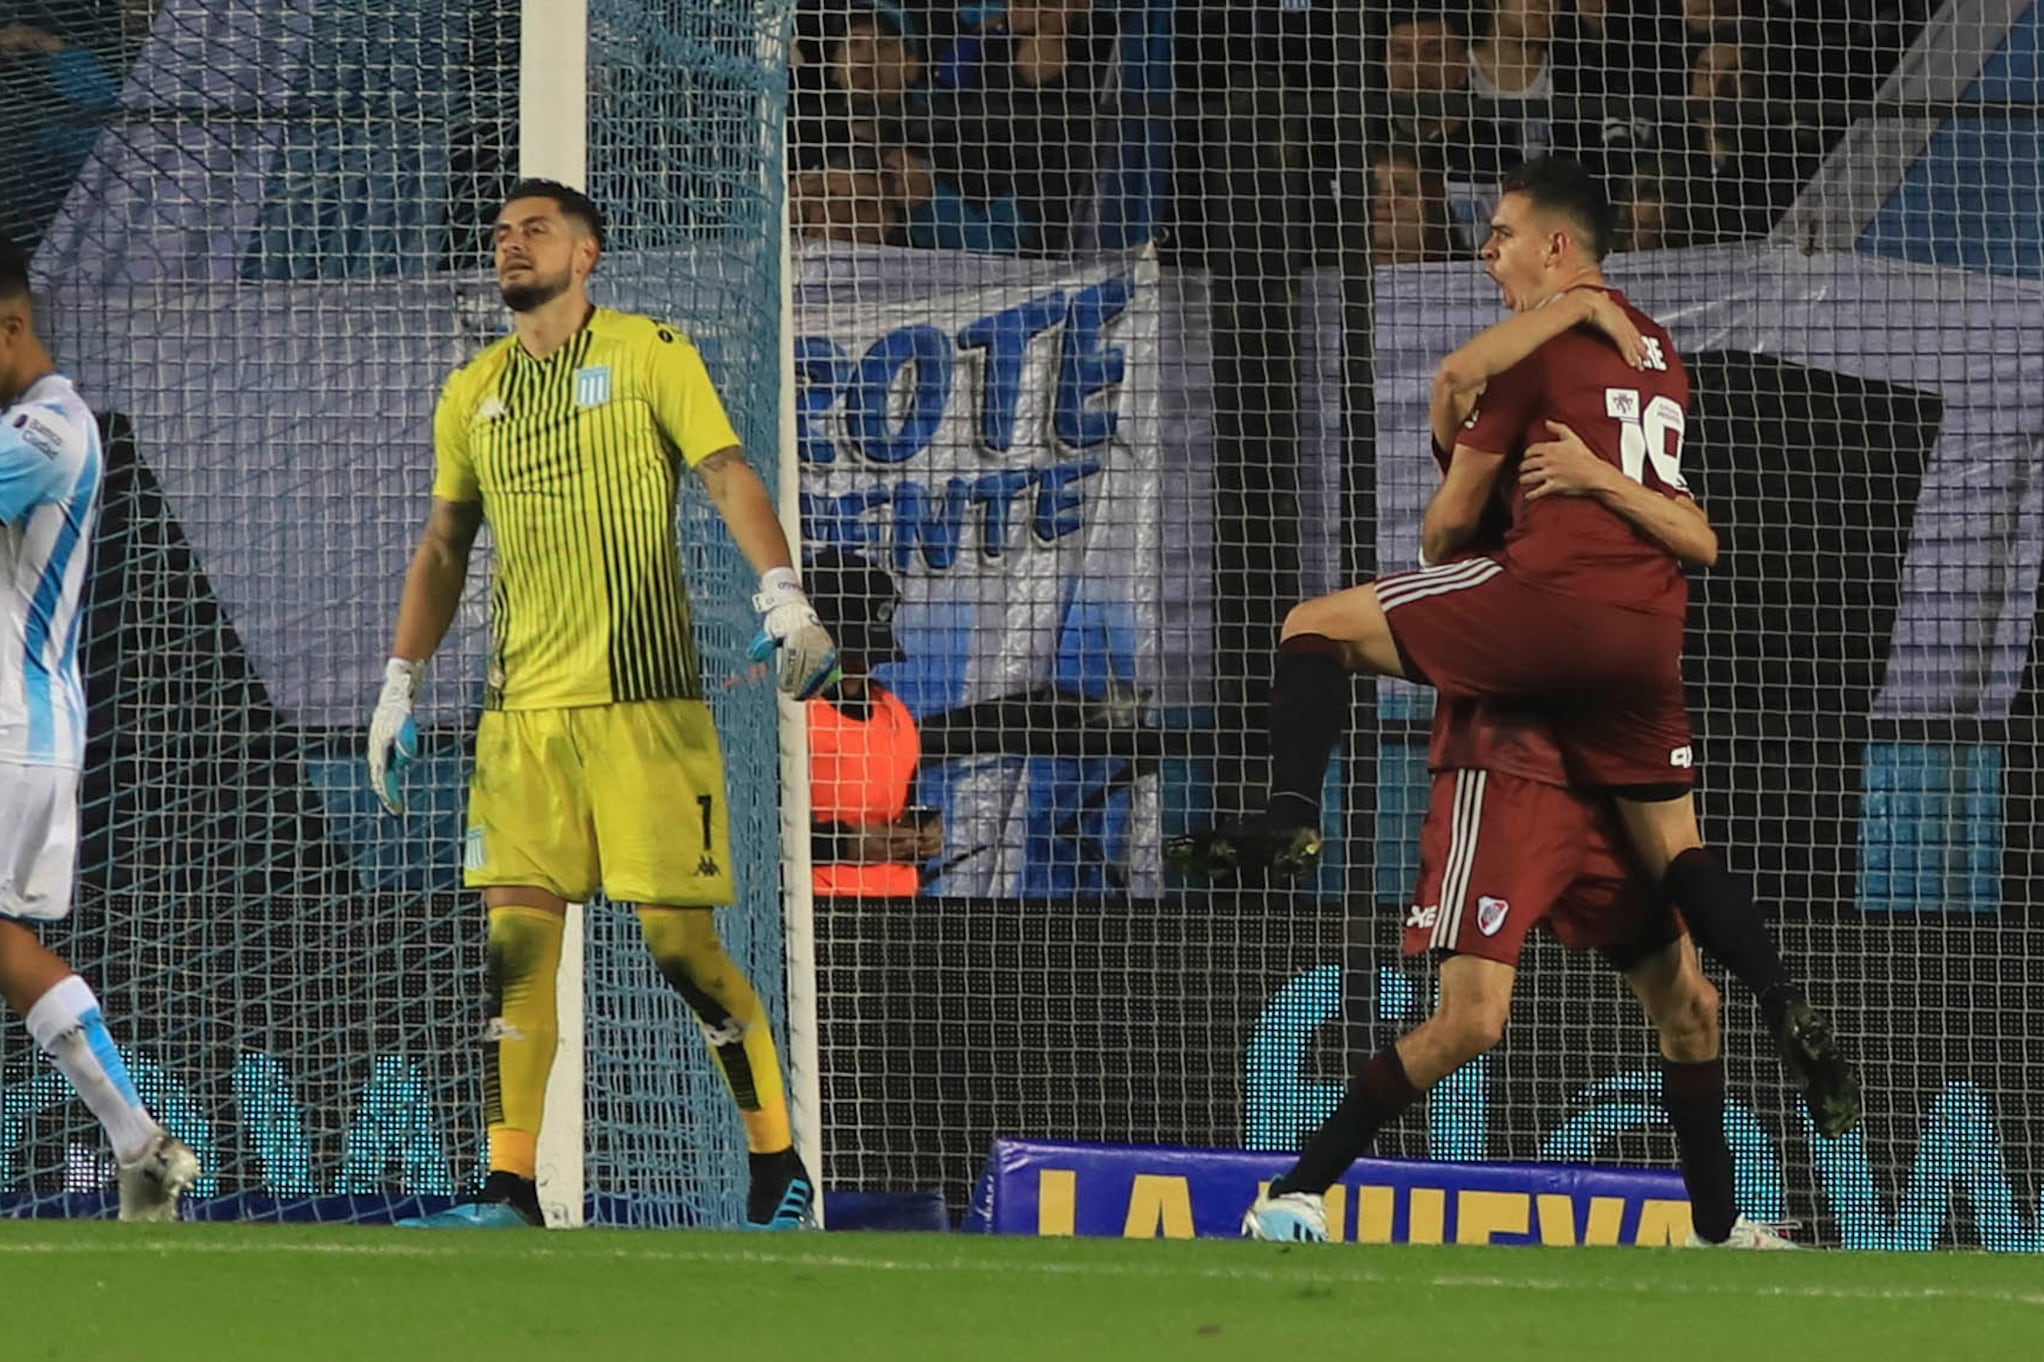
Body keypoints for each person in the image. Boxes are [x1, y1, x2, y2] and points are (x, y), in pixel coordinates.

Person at [1170, 155, 1858, 1138]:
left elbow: (1446, 525)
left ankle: (1288, 814)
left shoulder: (1522, 354)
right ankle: (1784, 1009)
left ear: (1557, 245)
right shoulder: (1661, 353)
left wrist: (1473, 447)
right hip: (1647, 645)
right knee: (1677, 872)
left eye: (1501, 234)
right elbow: (1701, 535)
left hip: (1532, 647)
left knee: (1312, 627)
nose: (1487, 253)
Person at [367, 180, 839, 1230]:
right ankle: (507, 1188)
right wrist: (399, 681)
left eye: (534, 230)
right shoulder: (470, 390)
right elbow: (445, 545)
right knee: (514, 952)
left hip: (644, 706)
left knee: (681, 949)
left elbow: (724, 470)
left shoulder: (649, 351)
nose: (509, 246)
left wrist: (781, 590)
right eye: (499, 233)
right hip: (519, 719)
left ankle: (774, 1164)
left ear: (589, 253)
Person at [0, 239, 197, 1220]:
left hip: (11, 730)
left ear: (10, 326)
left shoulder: (46, 432)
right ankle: (137, 1142)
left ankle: (139, 1138)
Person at [805, 549, 940, 899]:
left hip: (894, 907)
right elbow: (744, 835)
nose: (862, 664)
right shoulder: (783, 716)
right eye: (850, 650)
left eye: (867, 652)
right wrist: (842, 845)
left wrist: (922, 833)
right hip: (808, 909)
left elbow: (899, 805)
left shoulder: (893, 715)